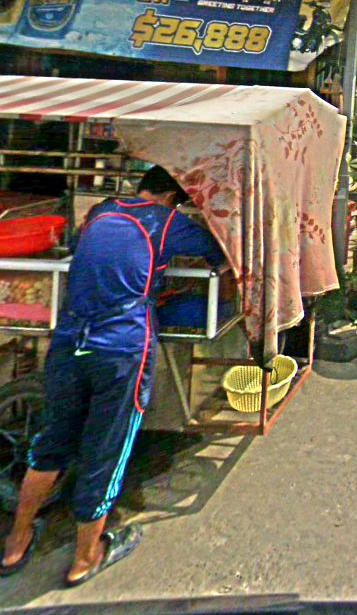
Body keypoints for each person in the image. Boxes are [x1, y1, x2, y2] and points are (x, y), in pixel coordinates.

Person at [1, 166, 226, 587]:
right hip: (121, 348)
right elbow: (218, 253)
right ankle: (85, 557)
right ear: (171, 198)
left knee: (51, 443)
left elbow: (95, 257)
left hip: (70, 342)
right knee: (106, 449)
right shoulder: (165, 220)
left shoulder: (101, 212)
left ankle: (17, 540)